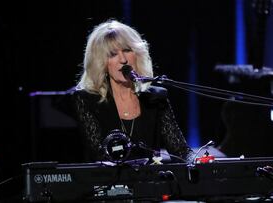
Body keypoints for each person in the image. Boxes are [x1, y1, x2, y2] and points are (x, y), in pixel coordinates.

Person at [71, 19, 193, 164]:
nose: (123, 59)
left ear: (137, 54)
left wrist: (197, 161)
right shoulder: (87, 100)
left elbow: (180, 151)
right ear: (101, 62)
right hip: (110, 183)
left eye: (127, 50)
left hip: (151, 183)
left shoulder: (155, 98)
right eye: (112, 54)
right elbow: (98, 156)